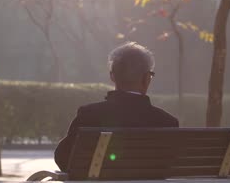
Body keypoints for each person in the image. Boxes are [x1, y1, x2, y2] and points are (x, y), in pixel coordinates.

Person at [54, 42, 179, 172]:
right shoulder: (168, 122)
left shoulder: (89, 114)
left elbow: (63, 159)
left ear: (112, 76)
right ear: (147, 78)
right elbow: (173, 166)